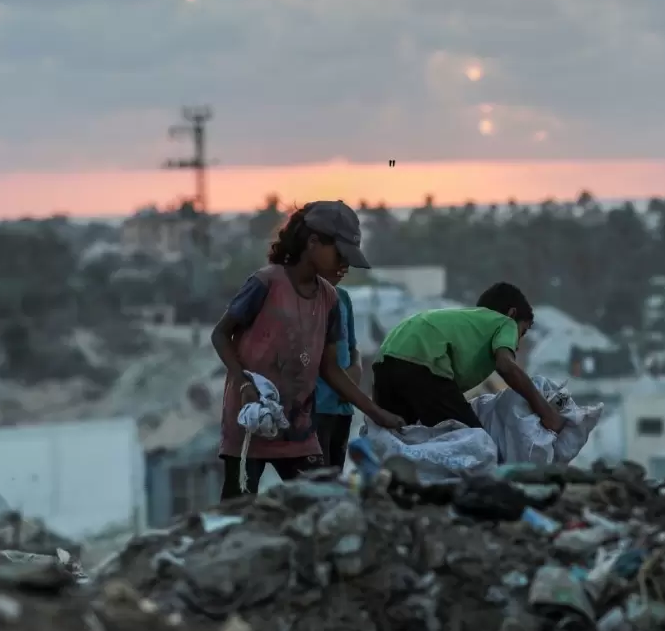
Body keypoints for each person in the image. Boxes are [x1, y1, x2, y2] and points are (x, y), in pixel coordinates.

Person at [211, 200, 403, 500]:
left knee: (322, 500)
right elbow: (221, 335)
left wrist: (376, 412)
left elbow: (330, 369)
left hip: (298, 429)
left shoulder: (330, 300)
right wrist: (244, 383)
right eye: (339, 253)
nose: (344, 264)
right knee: (237, 505)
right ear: (313, 242)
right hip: (251, 421)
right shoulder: (266, 283)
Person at [371, 281, 565, 435]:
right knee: (474, 443)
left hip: (387, 355)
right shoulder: (505, 322)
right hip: (425, 360)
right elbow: (506, 366)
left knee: (398, 437)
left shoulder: (468, 320)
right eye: (522, 332)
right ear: (512, 313)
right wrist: (547, 413)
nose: (517, 344)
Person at [314, 262, 361, 470]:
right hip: (316, 408)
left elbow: (352, 347)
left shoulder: (343, 297)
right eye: (338, 261)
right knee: (317, 475)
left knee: (334, 473)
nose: (344, 269)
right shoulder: (304, 301)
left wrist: (356, 369)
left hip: (342, 407)